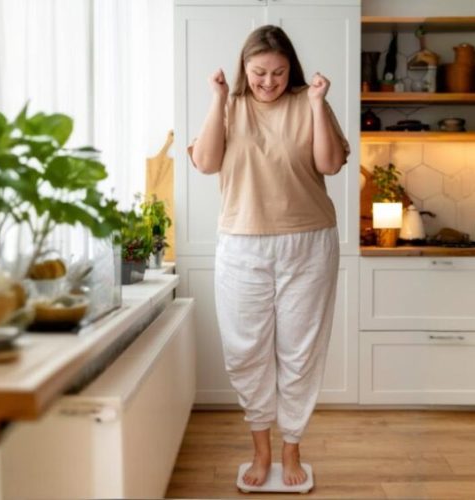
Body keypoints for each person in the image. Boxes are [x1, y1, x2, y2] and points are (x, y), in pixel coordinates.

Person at [189, 25, 350, 487]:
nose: (268, 82)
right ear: (244, 67)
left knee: (300, 353)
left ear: (290, 70)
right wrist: (218, 98)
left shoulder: (309, 102)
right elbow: (204, 162)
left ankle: (292, 449)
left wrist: (317, 104)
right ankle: (260, 451)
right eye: (259, 72)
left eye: (278, 73)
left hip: (309, 242)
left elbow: (329, 163)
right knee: (246, 352)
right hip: (242, 242)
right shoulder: (230, 106)